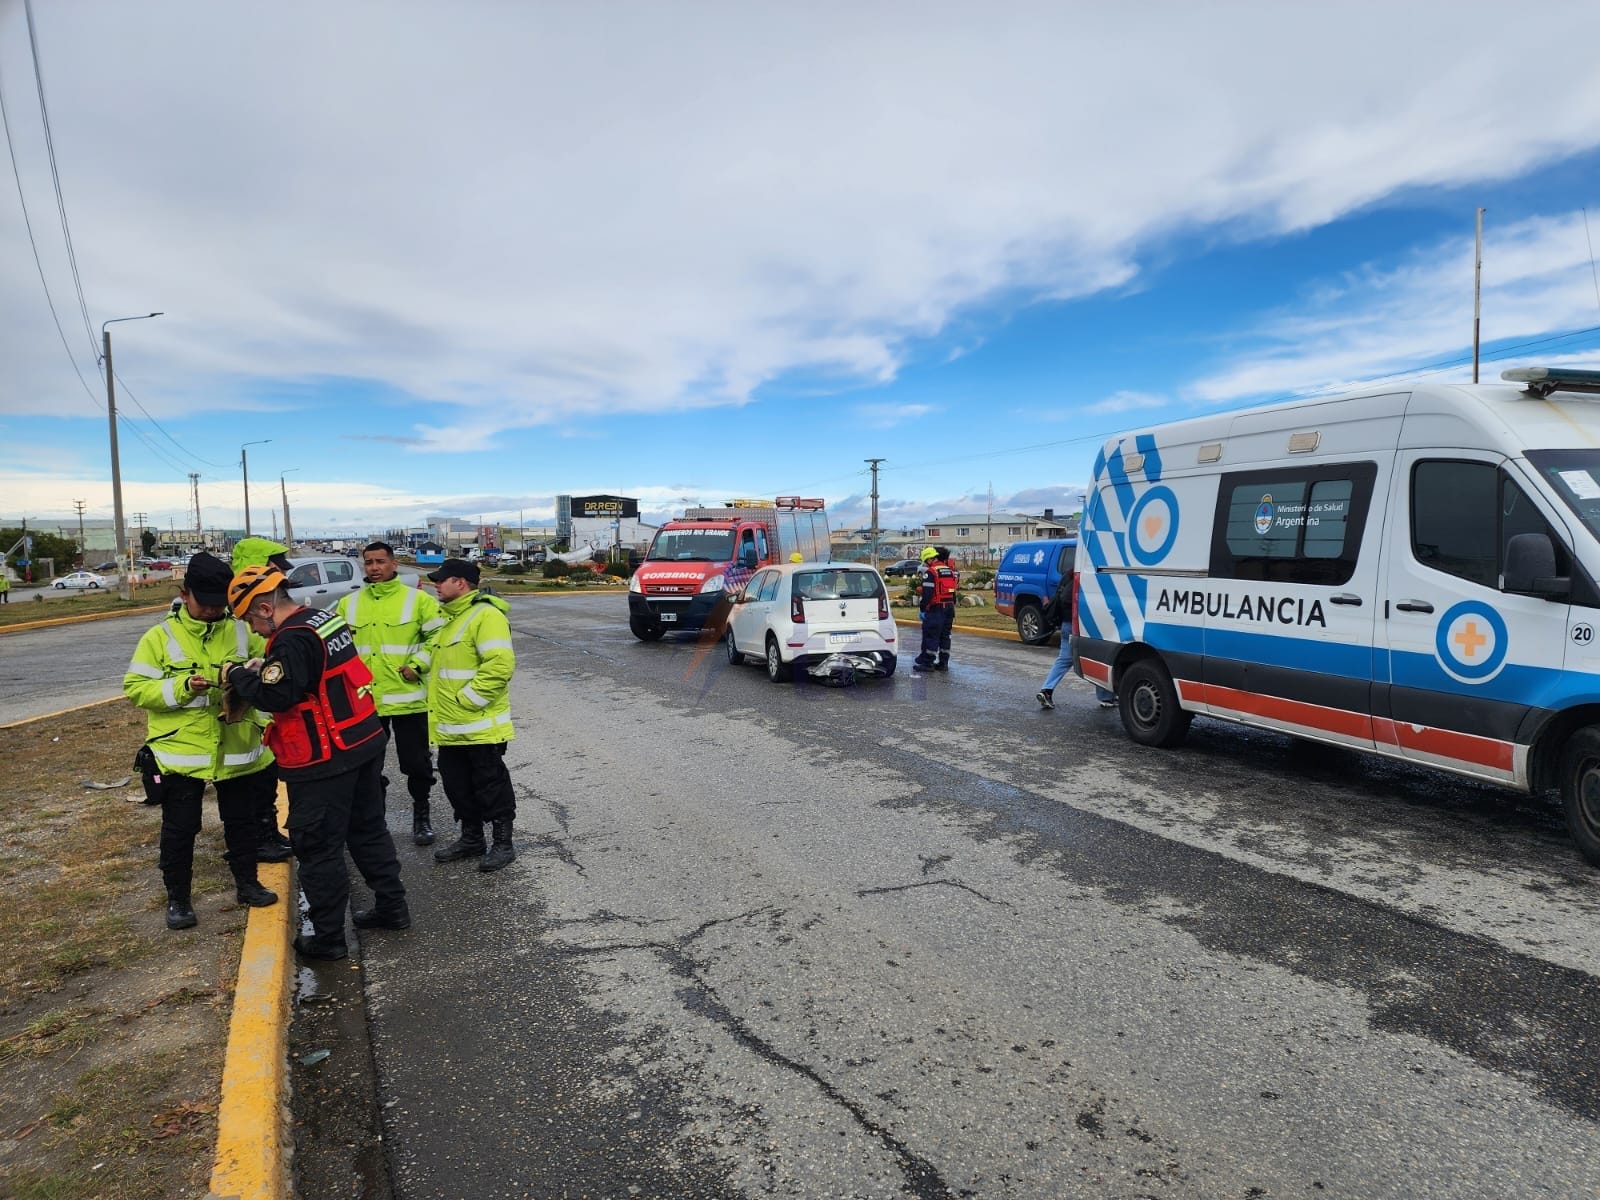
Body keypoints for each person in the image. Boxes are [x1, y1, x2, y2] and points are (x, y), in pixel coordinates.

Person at [222, 564, 408, 960]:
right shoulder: (322, 620)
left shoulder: (290, 641)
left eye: (249, 619)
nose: (252, 630)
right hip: (364, 742)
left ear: (266, 608)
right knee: (368, 830)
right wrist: (264, 672)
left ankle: (328, 939)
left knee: (319, 847)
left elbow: (278, 697)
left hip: (324, 757)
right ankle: (393, 908)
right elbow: (303, 676)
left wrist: (239, 676)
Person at [123, 553, 281, 931]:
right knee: (180, 829)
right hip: (181, 753)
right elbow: (136, 688)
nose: (213, 610)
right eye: (205, 602)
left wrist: (253, 675)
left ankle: (247, 883)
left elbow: (272, 667)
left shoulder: (243, 630)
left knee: (242, 823)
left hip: (239, 747)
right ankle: (179, 899)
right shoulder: (159, 637)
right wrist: (180, 686)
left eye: (219, 603)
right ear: (184, 594)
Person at [337, 541, 446, 845]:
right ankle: (376, 820)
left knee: (417, 764)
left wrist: (418, 665)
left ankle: (421, 815)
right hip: (366, 702)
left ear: (394, 563)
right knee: (370, 766)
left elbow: (438, 636)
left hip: (408, 699)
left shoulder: (418, 601)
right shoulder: (349, 604)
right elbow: (339, 649)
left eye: (380, 562)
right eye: (368, 562)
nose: (374, 568)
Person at [425, 559, 518, 872]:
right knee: (457, 787)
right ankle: (472, 839)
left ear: (460, 582)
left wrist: (467, 700)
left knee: (491, 786)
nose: (435, 585)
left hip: (478, 726)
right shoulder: (449, 618)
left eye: (441, 580)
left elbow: (500, 665)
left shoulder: (486, 615)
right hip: (450, 728)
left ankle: (503, 844)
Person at [1035, 572, 1117, 710]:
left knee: (1064, 659)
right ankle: (1105, 697)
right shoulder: (1089, 577)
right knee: (1100, 657)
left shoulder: (1067, 576)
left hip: (1067, 624)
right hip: (1084, 625)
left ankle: (1046, 690)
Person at [912, 546, 959, 671]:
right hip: (949, 608)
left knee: (932, 634)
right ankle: (943, 663)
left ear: (929, 559)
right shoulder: (949, 570)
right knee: (945, 635)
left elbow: (927, 594)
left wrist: (922, 609)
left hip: (936, 608)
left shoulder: (931, 572)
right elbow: (953, 591)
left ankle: (928, 663)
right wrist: (952, 606)